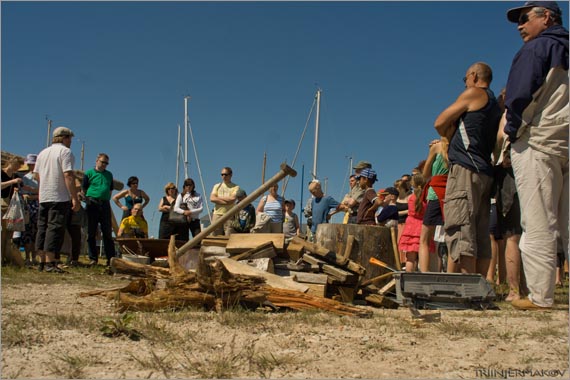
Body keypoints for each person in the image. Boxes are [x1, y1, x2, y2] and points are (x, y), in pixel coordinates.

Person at [504, 1, 568, 310]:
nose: (519, 25)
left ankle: (541, 297)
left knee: (539, 220)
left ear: (546, 17)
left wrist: (513, 131)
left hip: (539, 140)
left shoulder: (536, 49)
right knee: (566, 222)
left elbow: (517, 95)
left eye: (525, 18)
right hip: (566, 140)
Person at [434, 62, 502, 275]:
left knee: (462, 227)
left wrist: (448, 133)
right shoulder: (494, 103)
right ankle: (480, 286)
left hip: (465, 167)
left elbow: (439, 122)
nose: (465, 84)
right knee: (480, 232)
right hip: (483, 170)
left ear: (473, 76)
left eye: (465, 79)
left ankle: (466, 286)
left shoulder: (474, 93)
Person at [34, 127, 81, 273]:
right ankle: (50, 262)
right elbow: (68, 175)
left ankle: (41, 261)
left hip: (44, 196)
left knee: (42, 227)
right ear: (65, 138)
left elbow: (36, 175)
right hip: (58, 196)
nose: (71, 141)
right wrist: (74, 198)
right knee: (55, 228)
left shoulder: (43, 153)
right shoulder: (65, 152)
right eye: (70, 138)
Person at [418, 140, 449, 274]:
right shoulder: (459, 145)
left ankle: (424, 273)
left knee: (424, 239)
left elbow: (425, 174)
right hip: (452, 192)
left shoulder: (438, 146)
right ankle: (450, 273)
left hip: (436, 193)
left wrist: (431, 152)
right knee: (452, 239)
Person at [82, 153, 117, 266]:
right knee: (91, 232)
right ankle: (93, 258)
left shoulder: (109, 175)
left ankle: (111, 258)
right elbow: (84, 188)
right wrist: (87, 199)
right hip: (92, 202)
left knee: (107, 232)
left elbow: (110, 189)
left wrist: (105, 197)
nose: (104, 165)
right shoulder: (89, 173)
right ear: (97, 161)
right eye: (103, 162)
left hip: (105, 203)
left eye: (106, 163)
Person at [399, 174, 427, 272]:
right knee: (423, 257)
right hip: (423, 227)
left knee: (410, 258)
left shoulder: (411, 197)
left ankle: (408, 278)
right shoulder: (426, 198)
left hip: (410, 227)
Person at [1, 156, 25, 266]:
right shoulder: (2, 173)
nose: (18, 168)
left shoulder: (16, 176)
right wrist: (12, 181)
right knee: (1, 233)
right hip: (2, 205)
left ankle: (6, 258)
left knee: (8, 234)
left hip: (10, 207)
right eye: (18, 166)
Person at [210, 167, 239, 236]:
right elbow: (212, 198)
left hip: (229, 215)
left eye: (225, 174)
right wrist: (227, 202)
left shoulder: (235, 187)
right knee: (215, 236)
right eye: (222, 174)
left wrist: (218, 198)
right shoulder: (217, 186)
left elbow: (232, 199)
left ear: (231, 175)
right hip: (217, 214)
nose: (223, 176)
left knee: (229, 236)